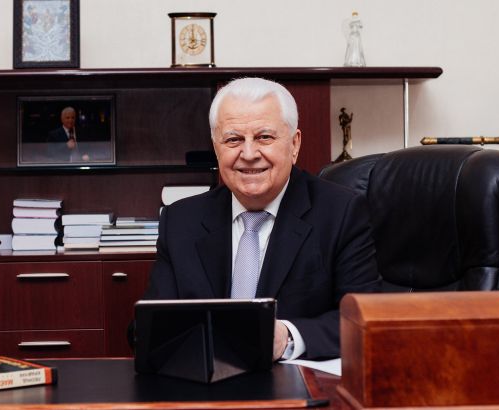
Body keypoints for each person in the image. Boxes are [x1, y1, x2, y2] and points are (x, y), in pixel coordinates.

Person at [143, 77, 381, 360]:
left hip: (294, 377)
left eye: (264, 137)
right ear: (216, 148)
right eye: (233, 140)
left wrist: (287, 337)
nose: (248, 154)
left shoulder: (342, 213)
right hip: (206, 378)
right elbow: (150, 326)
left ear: (294, 144)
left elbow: (364, 318)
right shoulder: (180, 221)